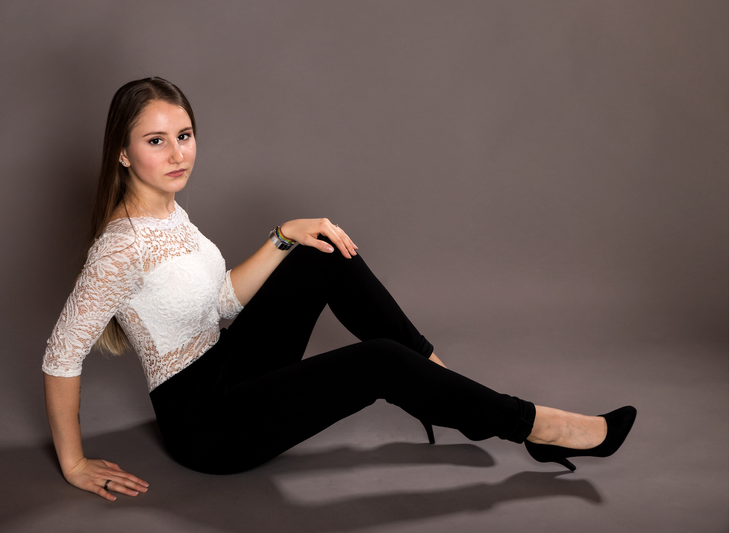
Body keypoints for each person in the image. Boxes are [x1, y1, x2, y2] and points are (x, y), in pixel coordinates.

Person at [42, 77, 637, 502]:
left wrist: (282, 236)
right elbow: (62, 354)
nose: (178, 154)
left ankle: (436, 378)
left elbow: (219, 303)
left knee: (319, 252)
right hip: (207, 425)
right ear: (123, 154)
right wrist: (73, 462)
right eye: (156, 141)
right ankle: (537, 427)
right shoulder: (119, 248)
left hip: (228, 366)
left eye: (185, 135)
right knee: (379, 362)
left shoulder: (169, 213)